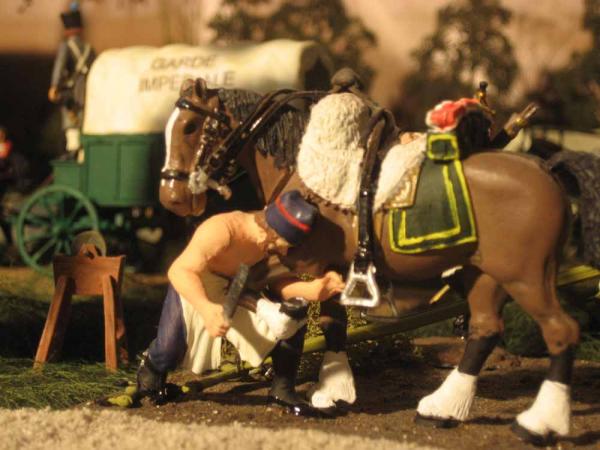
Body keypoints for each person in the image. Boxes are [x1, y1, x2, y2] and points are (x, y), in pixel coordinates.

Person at [137, 190, 345, 415]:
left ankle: (282, 391)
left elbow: (275, 282)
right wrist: (206, 309)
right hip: (198, 283)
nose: (285, 250)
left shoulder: (270, 244)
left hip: (237, 289)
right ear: (269, 231)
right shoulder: (222, 230)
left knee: (290, 317)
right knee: (170, 348)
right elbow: (179, 271)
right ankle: (150, 375)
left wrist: (316, 290)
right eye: (283, 244)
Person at [48, 1, 95, 160]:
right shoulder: (89, 48)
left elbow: (59, 68)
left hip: (71, 93)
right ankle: (81, 153)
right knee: (83, 122)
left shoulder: (65, 47)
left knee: (71, 123)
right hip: (87, 91)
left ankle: (73, 151)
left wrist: (54, 86)